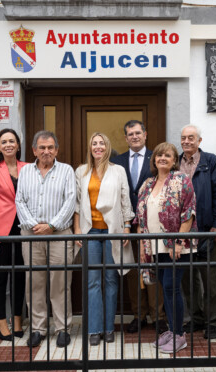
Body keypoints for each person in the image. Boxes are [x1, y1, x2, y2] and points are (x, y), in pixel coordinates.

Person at [15, 131, 76, 348]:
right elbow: (19, 200)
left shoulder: (67, 170)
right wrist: (34, 225)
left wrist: (51, 226)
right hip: (31, 235)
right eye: (42, 148)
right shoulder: (25, 172)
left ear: (56, 150)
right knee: (34, 281)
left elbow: (70, 201)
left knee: (60, 282)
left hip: (59, 234)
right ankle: (38, 328)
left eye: (50, 147)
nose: (46, 151)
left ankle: (62, 328)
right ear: (34, 150)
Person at [135, 142, 197, 354]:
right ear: (154, 159)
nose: (162, 158)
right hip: (153, 246)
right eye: (159, 155)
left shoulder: (182, 180)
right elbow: (141, 218)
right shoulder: (147, 184)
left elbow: (188, 213)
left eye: (167, 155)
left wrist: (179, 242)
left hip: (175, 246)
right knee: (165, 289)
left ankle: (179, 335)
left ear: (174, 160)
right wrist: (143, 246)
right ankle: (172, 330)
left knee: (171, 288)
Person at [73, 132, 134, 346]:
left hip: (112, 231)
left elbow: (125, 199)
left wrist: (127, 227)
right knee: (92, 281)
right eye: (94, 143)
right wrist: (77, 229)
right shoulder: (81, 171)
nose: (98, 147)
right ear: (90, 148)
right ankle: (94, 330)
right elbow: (77, 203)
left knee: (110, 279)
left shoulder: (118, 171)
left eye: (101, 143)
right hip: (90, 233)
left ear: (107, 147)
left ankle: (109, 327)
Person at [111, 120, 167, 334]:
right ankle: (138, 315)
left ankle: (158, 316)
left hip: (152, 226)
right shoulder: (116, 162)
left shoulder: (158, 158)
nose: (134, 137)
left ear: (145, 134)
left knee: (153, 270)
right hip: (126, 226)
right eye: (130, 134)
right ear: (125, 138)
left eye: (137, 133)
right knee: (133, 272)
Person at [179, 124, 216, 340]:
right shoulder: (176, 162)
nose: (186, 141)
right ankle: (196, 319)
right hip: (184, 231)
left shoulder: (210, 161)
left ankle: (214, 321)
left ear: (199, 141)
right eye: (183, 138)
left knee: (211, 279)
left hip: (206, 229)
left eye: (191, 137)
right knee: (188, 279)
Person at [0, 129, 27, 341]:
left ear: (18, 145)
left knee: (20, 276)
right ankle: (1, 321)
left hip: (24, 229)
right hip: (0, 231)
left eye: (12, 141)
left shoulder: (28, 168)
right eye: (4, 141)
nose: (8, 144)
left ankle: (17, 319)